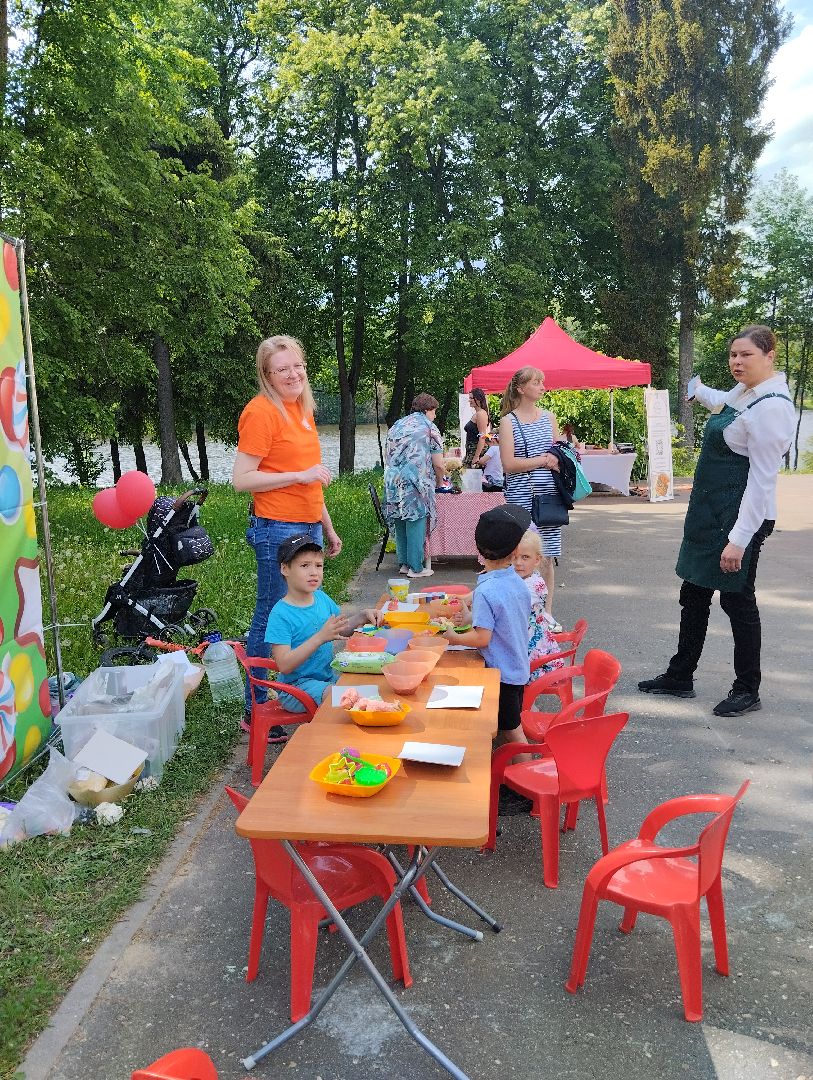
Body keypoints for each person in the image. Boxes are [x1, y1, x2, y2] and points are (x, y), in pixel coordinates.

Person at [638, 325, 795, 717]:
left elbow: (761, 483)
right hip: (711, 514)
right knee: (693, 594)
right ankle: (680, 676)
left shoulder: (773, 408)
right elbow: (720, 401)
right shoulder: (743, 393)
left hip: (740, 519)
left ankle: (747, 689)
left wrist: (738, 540)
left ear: (770, 355)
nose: (737, 362)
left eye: (746, 355)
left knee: (737, 600)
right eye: (733, 355)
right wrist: (698, 390)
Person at [233, 335, 342, 741]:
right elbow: (241, 479)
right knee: (272, 614)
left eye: (298, 365)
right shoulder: (261, 412)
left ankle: (303, 689)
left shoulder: (302, 408)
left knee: (307, 608)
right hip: (277, 527)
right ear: (267, 375)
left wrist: (326, 525)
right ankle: (258, 708)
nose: (293, 374)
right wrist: (299, 476)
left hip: (308, 525)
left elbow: (312, 479)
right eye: (282, 369)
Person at [441, 504, 532, 749]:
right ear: (515, 551)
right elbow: (505, 619)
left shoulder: (486, 590)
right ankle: (510, 766)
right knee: (507, 727)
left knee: (513, 732)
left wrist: (453, 637)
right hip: (517, 665)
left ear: (479, 550)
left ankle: (525, 771)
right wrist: (472, 618)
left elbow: (482, 639)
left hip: (502, 675)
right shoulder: (516, 581)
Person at [265, 535, 378, 714]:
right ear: (285, 569)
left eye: (318, 565)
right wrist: (319, 638)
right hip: (296, 688)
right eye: (305, 565)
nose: (314, 572)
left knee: (371, 687)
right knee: (347, 698)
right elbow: (284, 665)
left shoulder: (321, 598)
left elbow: (339, 629)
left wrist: (362, 616)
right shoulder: (281, 614)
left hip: (327, 679)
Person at [498, 365, 562, 614]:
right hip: (521, 497)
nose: (542, 387)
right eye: (536, 382)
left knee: (545, 557)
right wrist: (543, 459)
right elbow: (509, 464)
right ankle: (520, 612)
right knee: (520, 555)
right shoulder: (508, 422)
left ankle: (546, 614)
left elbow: (560, 453)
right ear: (521, 388)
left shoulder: (549, 418)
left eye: (542, 382)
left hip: (549, 497)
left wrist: (562, 458)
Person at [384, 393, 447, 578]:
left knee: (400, 519)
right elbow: (439, 464)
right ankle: (416, 568)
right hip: (415, 481)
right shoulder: (429, 428)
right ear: (427, 410)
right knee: (416, 521)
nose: (435, 415)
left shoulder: (397, 425)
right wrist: (440, 482)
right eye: (434, 411)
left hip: (392, 481)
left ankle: (404, 563)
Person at [512, 529, 564, 679]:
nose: (518, 563)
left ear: (537, 560)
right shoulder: (524, 578)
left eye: (525, 557)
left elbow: (508, 607)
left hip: (532, 649)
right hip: (526, 639)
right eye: (514, 557)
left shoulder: (532, 586)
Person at [464, 387, 491, 467]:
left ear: (478, 399)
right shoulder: (477, 414)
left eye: (471, 398)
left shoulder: (481, 414)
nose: (469, 400)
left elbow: (482, 436)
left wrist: (476, 456)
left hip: (476, 452)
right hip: (471, 451)